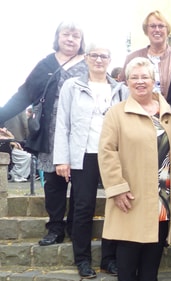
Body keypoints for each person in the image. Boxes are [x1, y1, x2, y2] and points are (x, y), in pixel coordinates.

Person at [0, 21, 88, 246]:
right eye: (66, 34)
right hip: (50, 134)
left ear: (81, 40)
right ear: (57, 37)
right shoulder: (46, 64)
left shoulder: (89, 64)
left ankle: (75, 226)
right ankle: (56, 227)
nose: (70, 39)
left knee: (81, 183)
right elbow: (24, 94)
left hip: (83, 135)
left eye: (75, 35)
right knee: (53, 183)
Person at [98, 57, 171, 281]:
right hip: (131, 198)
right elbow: (107, 152)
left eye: (144, 76)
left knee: (150, 269)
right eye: (134, 77)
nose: (140, 81)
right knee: (127, 267)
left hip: (162, 199)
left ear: (154, 80)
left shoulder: (169, 112)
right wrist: (116, 188)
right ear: (126, 82)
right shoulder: (116, 113)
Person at [53, 42, 127, 278]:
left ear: (109, 59)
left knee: (115, 205)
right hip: (83, 154)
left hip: (113, 155)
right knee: (83, 207)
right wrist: (62, 159)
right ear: (86, 58)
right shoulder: (71, 86)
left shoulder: (120, 89)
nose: (98, 60)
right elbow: (63, 123)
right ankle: (82, 260)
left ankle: (109, 258)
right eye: (94, 55)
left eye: (103, 56)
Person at [119, 10, 171, 99]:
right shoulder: (132, 58)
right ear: (146, 30)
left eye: (161, 26)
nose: (157, 30)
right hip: (138, 111)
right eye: (153, 26)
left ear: (167, 29)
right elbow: (123, 89)